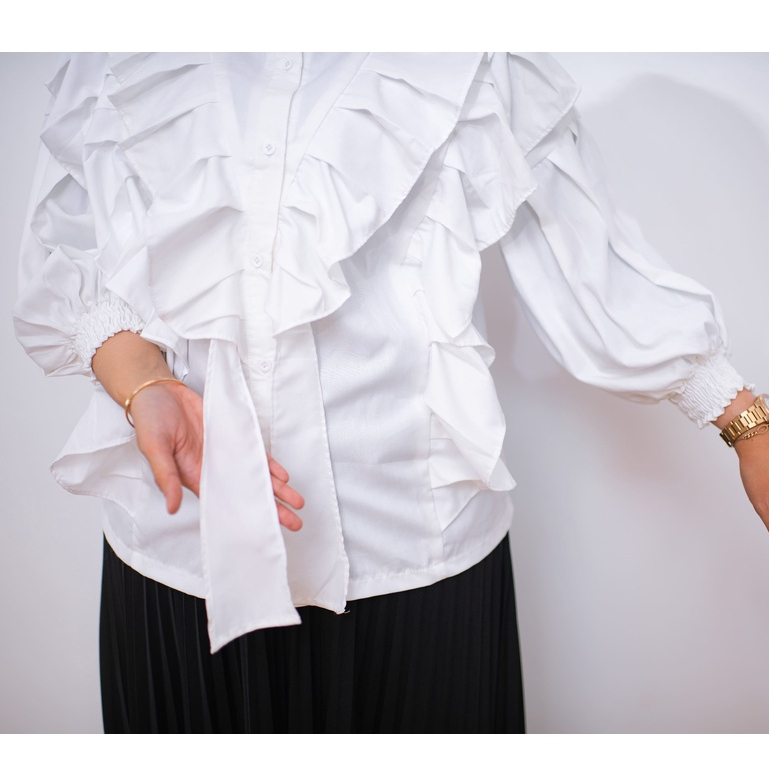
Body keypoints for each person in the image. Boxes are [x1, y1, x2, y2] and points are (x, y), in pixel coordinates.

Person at [13, 52, 769, 734]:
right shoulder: (120, 54)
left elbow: (589, 263)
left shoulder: (475, 57)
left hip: (412, 560)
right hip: (180, 549)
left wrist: (747, 423)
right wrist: (145, 382)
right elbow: (65, 257)